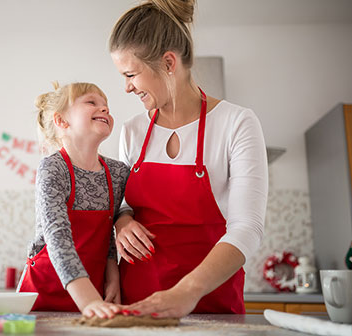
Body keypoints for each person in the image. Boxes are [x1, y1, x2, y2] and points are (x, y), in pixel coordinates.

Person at [109, 0, 268, 317]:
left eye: (131, 74)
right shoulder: (132, 132)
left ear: (169, 63)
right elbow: (123, 205)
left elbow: (247, 228)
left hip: (211, 306)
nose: (126, 88)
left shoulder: (236, 123)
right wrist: (122, 222)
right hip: (137, 309)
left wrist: (187, 291)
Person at [17, 82, 130, 318]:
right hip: (43, 296)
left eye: (106, 105)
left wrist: (113, 275)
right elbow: (57, 236)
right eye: (92, 102)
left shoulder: (118, 172)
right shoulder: (52, 167)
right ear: (61, 121)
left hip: (95, 296)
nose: (105, 109)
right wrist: (87, 300)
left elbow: (107, 233)